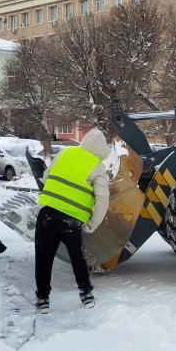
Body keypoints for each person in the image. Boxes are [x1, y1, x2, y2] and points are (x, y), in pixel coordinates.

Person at [34, 123, 110, 314]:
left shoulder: (64, 154)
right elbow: (103, 199)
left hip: (47, 214)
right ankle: (86, 295)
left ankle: (43, 299)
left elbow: (45, 176)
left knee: (44, 258)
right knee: (77, 257)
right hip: (71, 220)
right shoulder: (97, 166)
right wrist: (93, 223)